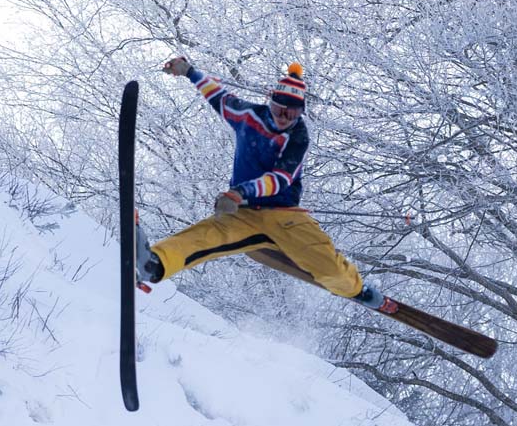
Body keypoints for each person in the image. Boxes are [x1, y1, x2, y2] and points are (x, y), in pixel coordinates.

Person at [134, 56, 391, 310]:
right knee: (206, 237)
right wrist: (189, 71)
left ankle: (358, 291)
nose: (284, 118)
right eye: (280, 110)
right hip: (243, 213)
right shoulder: (247, 115)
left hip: (284, 216)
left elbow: (280, 179)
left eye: (292, 113)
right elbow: (218, 98)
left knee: (327, 264)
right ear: (271, 102)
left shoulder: (297, 137)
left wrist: (239, 192)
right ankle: (155, 263)